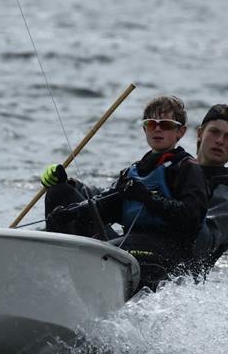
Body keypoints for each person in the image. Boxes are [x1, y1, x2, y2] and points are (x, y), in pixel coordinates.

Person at [40, 95, 208, 290]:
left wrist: (147, 197)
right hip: (132, 246)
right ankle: (57, 282)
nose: (158, 129)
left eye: (166, 125)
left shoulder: (187, 168)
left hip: (167, 254)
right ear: (145, 128)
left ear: (180, 132)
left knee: (120, 248)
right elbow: (105, 206)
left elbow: (192, 217)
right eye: (152, 124)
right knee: (59, 192)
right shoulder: (133, 172)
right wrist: (71, 212)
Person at [191, 104, 228, 276]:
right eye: (214, 132)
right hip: (131, 252)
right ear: (200, 133)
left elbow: (200, 248)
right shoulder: (167, 170)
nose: (220, 141)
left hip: (172, 278)